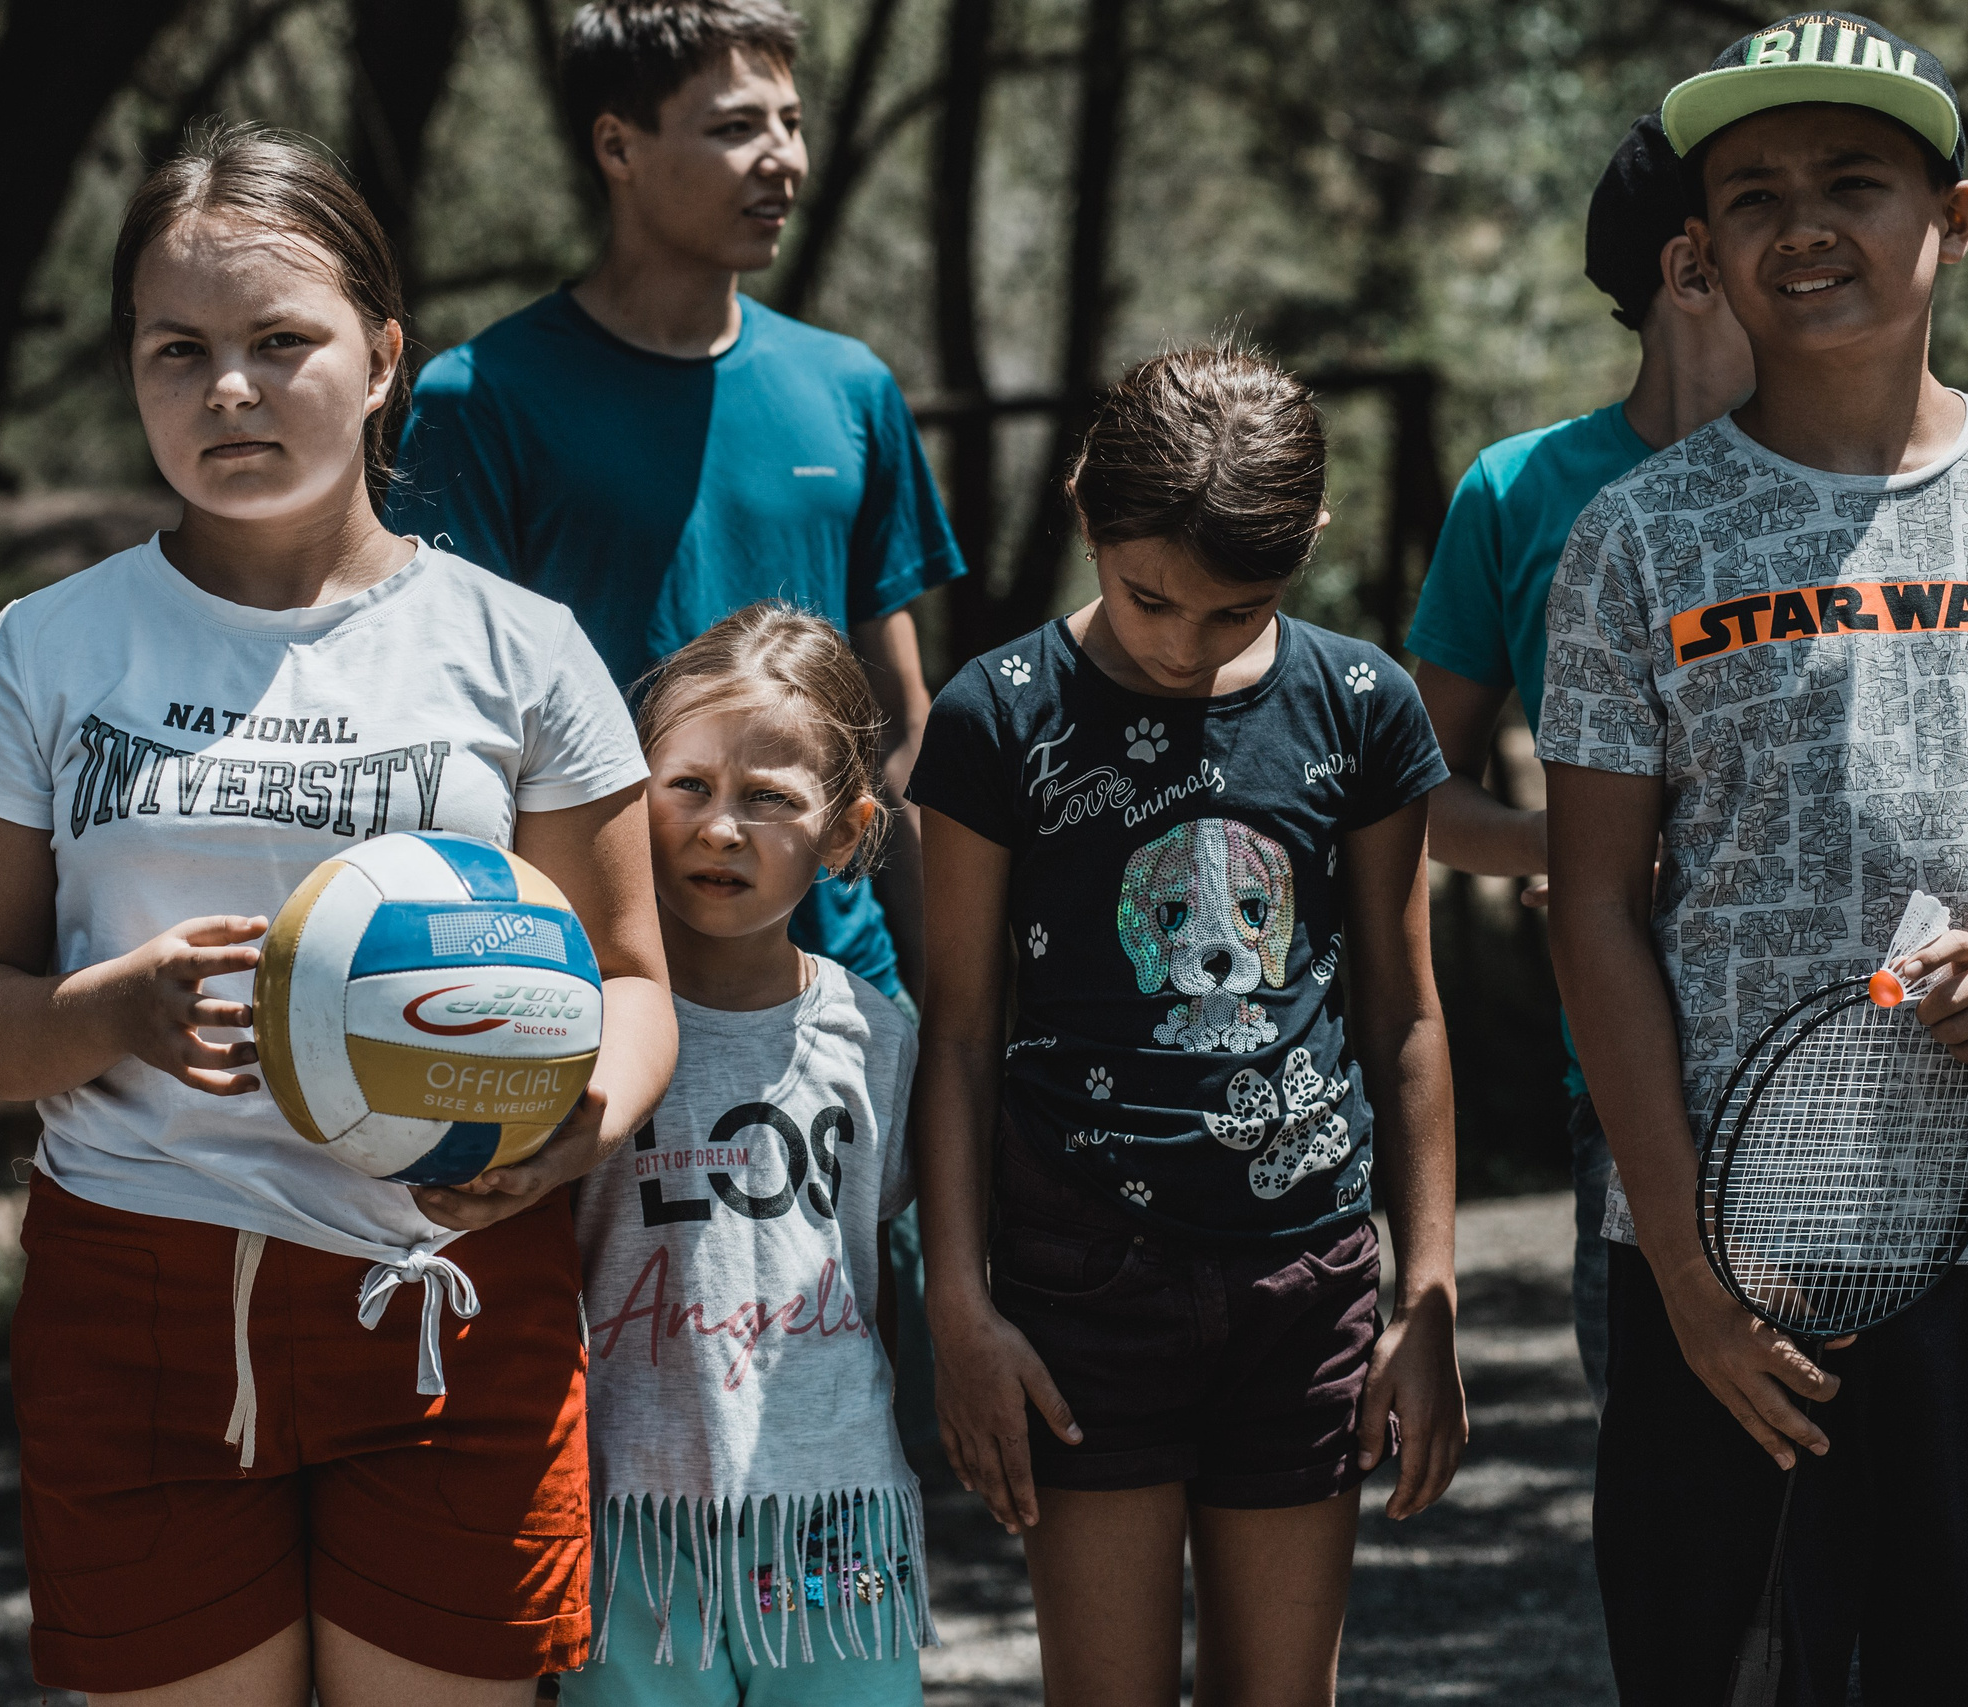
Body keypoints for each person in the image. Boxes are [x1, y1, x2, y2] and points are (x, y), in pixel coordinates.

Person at [0, 123, 676, 1705]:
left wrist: (575, 1127)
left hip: (448, 1289)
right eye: (177, 350)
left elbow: (639, 984)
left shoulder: (520, 651)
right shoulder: (46, 651)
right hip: (140, 1301)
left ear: (384, 356)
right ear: (130, 368)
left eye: (279, 342)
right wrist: (98, 1012)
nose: (228, 389)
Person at [1541, 16, 1968, 1702]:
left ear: (1950, 223)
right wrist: (1687, 1276)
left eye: (1853, 183)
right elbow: (1590, 905)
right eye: (1753, 196)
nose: (1803, 224)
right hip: (1729, 1286)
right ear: (1702, 253)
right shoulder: (1632, 540)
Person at [909, 342, 1466, 1705]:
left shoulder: (1362, 708)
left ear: (1309, 548)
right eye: (1150, 595)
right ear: (1088, 502)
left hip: (1307, 1276)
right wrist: (958, 1298)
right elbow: (964, 1030)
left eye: (1235, 612)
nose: (1178, 640)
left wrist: (1432, 1287)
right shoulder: (998, 717)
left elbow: (1403, 1011)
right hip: (1084, 1282)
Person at [385, 0, 963, 1011]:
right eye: (737, 127)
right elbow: (450, 742)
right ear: (618, 144)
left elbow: (902, 733)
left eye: (790, 122)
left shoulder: (850, 388)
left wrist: (953, 1013)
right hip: (589, 989)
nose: (783, 158)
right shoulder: (480, 401)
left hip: (834, 986)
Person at [1406, 111, 1754, 1407]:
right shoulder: (1520, 490)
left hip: (1872, 1062)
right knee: (1691, 1560)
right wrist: (1570, 851)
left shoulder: (1863, 476)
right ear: (1691, 263)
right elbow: (1412, 789)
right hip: (1625, 1090)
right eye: (1759, 202)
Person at [569, 602, 929, 1706]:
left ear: (843, 831)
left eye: (768, 799)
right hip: (625, 1530)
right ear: (631, 795)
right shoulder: (571, 1030)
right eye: (687, 786)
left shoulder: (878, 1038)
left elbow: (885, 1246)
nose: (721, 828)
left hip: (834, 1527)